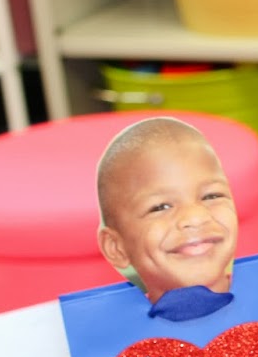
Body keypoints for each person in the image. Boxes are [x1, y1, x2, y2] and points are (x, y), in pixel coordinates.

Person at [95, 116, 238, 303]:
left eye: (211, 196)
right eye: (160, 207)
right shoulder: (109, 330)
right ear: (117, 248)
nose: (195, 217)